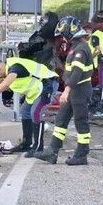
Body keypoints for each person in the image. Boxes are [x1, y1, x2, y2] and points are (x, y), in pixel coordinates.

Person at [34, 16, 93, 165]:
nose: (63, 38)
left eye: (63, 34)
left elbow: (77, 73)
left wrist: (66, 90)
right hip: (74, 90)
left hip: (79, 90)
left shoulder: (81, 49)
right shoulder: (76, 47)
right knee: (61, 119)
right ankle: (52, 151)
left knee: (81, 121)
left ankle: (81, 154)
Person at [0, 57, 58, 157]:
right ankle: (27, 144)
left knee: (36, 113)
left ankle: (38, 148)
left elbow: (5, 85)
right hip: (37, 90)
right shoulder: (7, 70)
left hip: (47, 84)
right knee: (25, 111)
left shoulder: (14, 68)